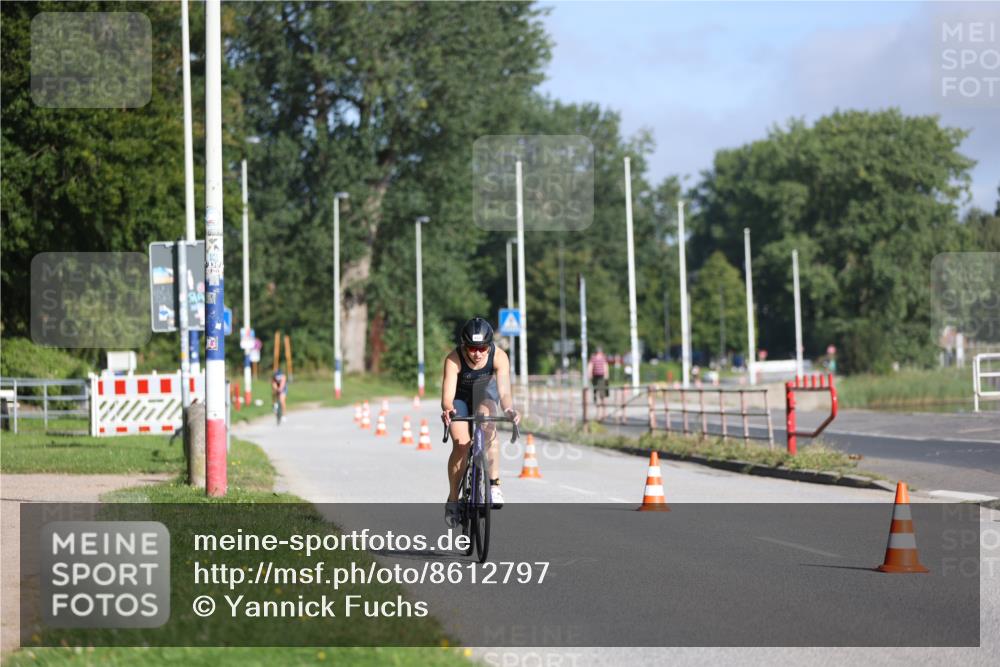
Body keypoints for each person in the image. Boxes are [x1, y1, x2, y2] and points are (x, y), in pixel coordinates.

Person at [440, 317, 519, 527]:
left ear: (489, 345)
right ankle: (454, 500)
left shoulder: (499, 357)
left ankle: (493, 485)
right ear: (464, 345)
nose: (477, 353)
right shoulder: (453, 359)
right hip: (460, 399)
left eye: (482, 348)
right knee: (461, 444)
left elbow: (504, 392)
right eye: (472, 348)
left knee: (488, 425)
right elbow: (447, 396)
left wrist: (509, 409)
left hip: (484, 396)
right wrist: (448, 409)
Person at [587, 346, 609, 420]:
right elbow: (605, 367)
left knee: (600, 396)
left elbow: (590, 367)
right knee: (600, 396)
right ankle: (601, 413)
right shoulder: (599, 358)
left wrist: (589, 374)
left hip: (599, 378)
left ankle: (602, 413)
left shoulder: (596, 358)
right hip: (599, 378)